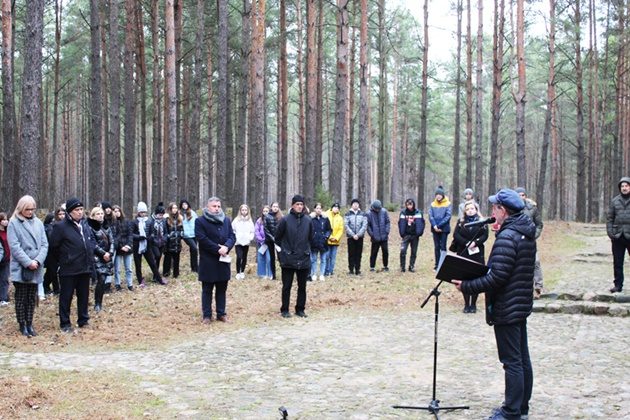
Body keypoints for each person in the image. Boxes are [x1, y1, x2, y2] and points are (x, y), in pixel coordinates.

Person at [452, 188, 535, 420]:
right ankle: (521, 407)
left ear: (503, 211)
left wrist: (466, 286)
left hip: (508, 305)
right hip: (519, 303)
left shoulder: (508, 237)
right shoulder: (523, 231)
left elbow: (496, 277)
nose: (492, 212)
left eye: (495, 208)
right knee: (521, 359)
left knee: (512, 361)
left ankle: (511, 412)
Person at [49, 197, 96, 333]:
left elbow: (88, 242)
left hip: (84, 267)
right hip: (69, 268)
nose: (80, 212)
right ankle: (65, 323)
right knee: (66, 296)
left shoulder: (84, 225)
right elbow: (54, 247)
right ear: (70, 212)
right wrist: (65, 259)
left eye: (81, 209)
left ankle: (83, 319)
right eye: (77, 210)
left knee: (83, 295)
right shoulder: (60, 227)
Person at [7, 196, 48, 337]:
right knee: (21, 297)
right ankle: (22, 324)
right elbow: (14, 246)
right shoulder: (13, 223)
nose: (30, 212)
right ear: (21, 208)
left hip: (36, 266)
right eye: (28, 209)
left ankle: (30, 323)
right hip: (21, 267)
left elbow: (44, 244)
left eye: (32, 209)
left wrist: (37, 260)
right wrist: (28, 262)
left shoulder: (38, 222)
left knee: (32, 298)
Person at [195, 197, 235, 323]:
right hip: (208, 261)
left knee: (222, 288)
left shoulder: (226, 220)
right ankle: (207, 315)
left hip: (223, 260)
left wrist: (227, 246)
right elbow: (202, 238)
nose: (217, 208)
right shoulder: (200, 221)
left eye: (218, 206)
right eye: (214, 206)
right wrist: (218, 249)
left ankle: (221, 313)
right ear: (208, 207)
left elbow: (232, 236)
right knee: (207, 289)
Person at [276, 195, 313, 318]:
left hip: (303, 258)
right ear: (292, 205)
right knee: (287, 286)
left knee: (302, 286)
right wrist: (282, 254)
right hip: (288, 258)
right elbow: (277, 239)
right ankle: (285, 309)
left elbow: (311, 238)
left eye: (301, 204)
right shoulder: (285, 220)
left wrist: (307, 251)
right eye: (297, 204)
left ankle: (300, 309)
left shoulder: (308, 221)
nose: (299, 206)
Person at [452, 200, 489, 313]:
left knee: (476, 279)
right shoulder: (460, 222)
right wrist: (466, 243)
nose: (470, 211)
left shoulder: (482, 222)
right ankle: (466, 304)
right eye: (467, 209)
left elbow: (485, 235)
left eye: (472, 209)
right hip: (464, 252)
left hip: (477, 253)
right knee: (464, 279)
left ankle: (473, 304)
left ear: (476, 210)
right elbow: (456, 235)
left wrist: (476, 242)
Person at [515, 187, 544, 298]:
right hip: (517, 240)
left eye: (522, 195)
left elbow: (539, 224)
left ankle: (538, 286)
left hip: (530, 240)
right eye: (518, 195)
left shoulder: (532, 208)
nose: (520, 197)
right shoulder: (511, 208)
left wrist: (534, 235)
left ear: (525, 196)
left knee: (535, 262)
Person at [87, 207, 114, 313]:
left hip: (107, 256)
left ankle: (99, 302)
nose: (100, 215)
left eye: (101, 213)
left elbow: (112, 240)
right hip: (96, 257)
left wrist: (110, 253)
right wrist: (103, 254)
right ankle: (97, 303)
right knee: (101, 278)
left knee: (102, 280)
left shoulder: (107, 226)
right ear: (93, 216)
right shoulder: (90, 227)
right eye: (97, 214)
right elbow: (93, 244)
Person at [606, 176, 630, 293]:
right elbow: (610, 218)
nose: (624, 188)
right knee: (618, 262)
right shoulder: (615, 201)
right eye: (622, 186)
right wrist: (611, 233)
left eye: (626, 186)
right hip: (618, 236)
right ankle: (618, 285)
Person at [131, 201, 161, 288]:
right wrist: (139, 237)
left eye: (144, 212)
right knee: (138, 264)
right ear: (138, 212)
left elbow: (152, 232)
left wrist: (151, 237)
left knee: (152, 263)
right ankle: (140, 280)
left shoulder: (149, 221)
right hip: (137, 246)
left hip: (147, 245)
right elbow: (131, 234)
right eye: (141, 212)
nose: (143, 214)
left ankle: (159, 278)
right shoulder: (134, 222)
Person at [398, 198, 425, 273]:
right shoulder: (403, 213)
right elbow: (400, 223)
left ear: (413, 205)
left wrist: (419, 233)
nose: (409, 206)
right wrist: (402, 233)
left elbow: (422, 223)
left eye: (411, 204)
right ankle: (402, 267)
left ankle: (411, 266)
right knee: (403, 251)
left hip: (415, 235)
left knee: (414, 252)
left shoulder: (418, 213)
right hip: (406, 235)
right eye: (408, 205)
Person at [429, 186, 452, 270]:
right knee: (436, 246)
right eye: (437, 194)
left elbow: (448, 216)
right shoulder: (432, 204)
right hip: (435, 229)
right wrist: (434, 225)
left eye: (440, 194)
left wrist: (439, 225)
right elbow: (430, 216)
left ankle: (442, 264)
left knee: (443, 246)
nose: (438, 196)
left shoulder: (448, 203)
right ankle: (437, 264)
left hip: (444, 228)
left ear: (442, 195)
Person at [111, 205, 134, 291]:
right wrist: (121, 246)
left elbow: (130, 234)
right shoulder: (112, 223)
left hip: (127, 248)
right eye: (115, 211)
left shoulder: (127, 222)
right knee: (117, 269)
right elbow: (115, 237)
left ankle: (130, 284)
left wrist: (128, 245)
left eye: (118, 211)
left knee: (129, 268)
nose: (117, 212)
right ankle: (117, 284)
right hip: (118, 248)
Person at [344, 199, 368, 275]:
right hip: (351, 238)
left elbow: (364, 225)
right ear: (351, 205)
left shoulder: (363, 214)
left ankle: (357, 270)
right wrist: (353, 235)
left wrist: (358, 235)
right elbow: (346, 225)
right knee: (351, 254)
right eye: (354, 204)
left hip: (360, 237)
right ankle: (351, 270)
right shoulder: (347, 214)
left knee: (358, 254)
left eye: (357, 204)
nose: (355, 205)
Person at [232, 204, 255, 280]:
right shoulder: (236, 220)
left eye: (245, 210)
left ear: (247, 211)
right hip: (238, 242)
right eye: (243, 210)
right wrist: (236, 237)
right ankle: (238, 272)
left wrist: (250, 238)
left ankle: (242, 271)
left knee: (244, 257)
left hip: (246, 242)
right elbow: (233, 230)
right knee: (239, 256)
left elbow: (252, 231)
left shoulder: (250, 221)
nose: (244, 211)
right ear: (240, 211)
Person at [367, 200, 391, 272]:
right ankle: (372, 267)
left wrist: (387, 231)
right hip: (375, 237)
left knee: (385, 251)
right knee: (374, 252)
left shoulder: (384, 211)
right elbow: (368, 226)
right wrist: (372, 234)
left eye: (379, 209)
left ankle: (385, 266)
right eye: (376, 209)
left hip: (384, 236)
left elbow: (387, 222)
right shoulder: (369, 213)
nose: (378, 210)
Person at [310, 203, 331, 281]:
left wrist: (326, 236)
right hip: (314, 242)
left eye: (320, 208)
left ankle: (322, 274)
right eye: (317, 208)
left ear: (322, 209)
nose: (318, 210)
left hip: (323, 242)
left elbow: (329, 229)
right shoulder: (311, 219)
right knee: (313, 259)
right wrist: (311, 237)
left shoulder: (325, 219)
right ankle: (314, 274)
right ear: (314, 209)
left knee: (323, 259)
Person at [147, 203, 168, 284]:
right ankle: (155, 274)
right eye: (159, 215)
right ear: (156, 214)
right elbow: (149, 233)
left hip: (162, 242)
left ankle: (155, 276)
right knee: (157, 255)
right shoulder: (151, 221)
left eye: (162, 215)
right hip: (154, 243)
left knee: (158, 259)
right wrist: (153, 239)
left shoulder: (163, 221)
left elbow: (166, 232)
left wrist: (165, 238)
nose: (161, 216)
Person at [163, 202, 183, 278]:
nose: (174, 209)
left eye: (175, 208)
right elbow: (164, 230)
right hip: (169, 242)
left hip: (177, 241)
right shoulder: (166, 219)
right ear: (170, 209)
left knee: (177, 258)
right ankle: (166, 273)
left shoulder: (180, 218)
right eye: (173, 208)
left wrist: (181, 234)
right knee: (167, 258)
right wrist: (168, 236)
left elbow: (182, 229)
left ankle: (176, 274)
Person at [264, 202, 283, 280]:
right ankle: (273, 275)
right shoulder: (267, 216)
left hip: (279, 241)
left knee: (281, 257)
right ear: (271, 207)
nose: (275, 208)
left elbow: (282, 229)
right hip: (270, 240)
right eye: (274, 206)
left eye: (277, 206)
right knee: (272, 257)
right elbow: (266, 229)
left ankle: (283, 274)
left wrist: (278, 238)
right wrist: (273, 238)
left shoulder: (281, 217)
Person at [324, 203, 344, 277]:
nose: (336, 209)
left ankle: (331, 271)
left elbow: (340, 230)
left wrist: (335, 238)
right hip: (327, 240)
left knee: (333, 257)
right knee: (326, 256)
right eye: (334, 207)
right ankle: (326, 271)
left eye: (337, 208)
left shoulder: (340, 218)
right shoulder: (326, 215)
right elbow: (325, 228)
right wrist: (329, 237)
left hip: (335, 241)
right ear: (331, 208)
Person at [180, 199, 199, 273]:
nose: (184, 206)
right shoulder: (180, 214)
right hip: (186, 235)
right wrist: (182, 233)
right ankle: (195, 267)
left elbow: (197, 222)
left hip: (194, 234)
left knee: (193, 251)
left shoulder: (192, 213)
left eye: (185, 204)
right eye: (183, 204)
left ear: (188, 205)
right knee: (194, 248)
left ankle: (194, 268)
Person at [254, 206, 272, 279]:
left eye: (267, 211)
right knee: (260, 258)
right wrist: (261, 240)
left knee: (269, 258)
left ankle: (270, 273)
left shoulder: (271, 220)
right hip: (261, 243)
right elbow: (256, 231)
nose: (265, 213)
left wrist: (267, 239)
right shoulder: (259, 221)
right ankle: (262, 274)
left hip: (269, 242)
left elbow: (272, 231)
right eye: (264, 211)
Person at [0, 213, 11, 305]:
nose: (6, 221)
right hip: (1, 258)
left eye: (6, 219)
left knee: (5, 278)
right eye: (3, 219)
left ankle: (4, 297)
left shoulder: (8, 231)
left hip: (7, 258)